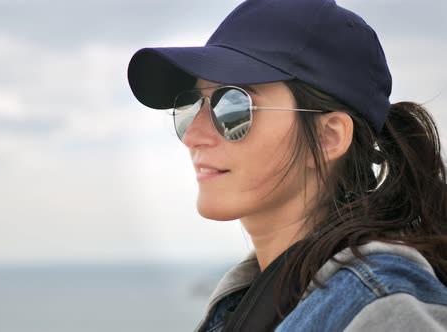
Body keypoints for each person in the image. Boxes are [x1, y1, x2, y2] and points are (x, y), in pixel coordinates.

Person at [127, 0, 447, 331]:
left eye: (234, 106)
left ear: (329, 137)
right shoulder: (254, 300)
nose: (193, 135)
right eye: (193, 105)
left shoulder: (381, 308)